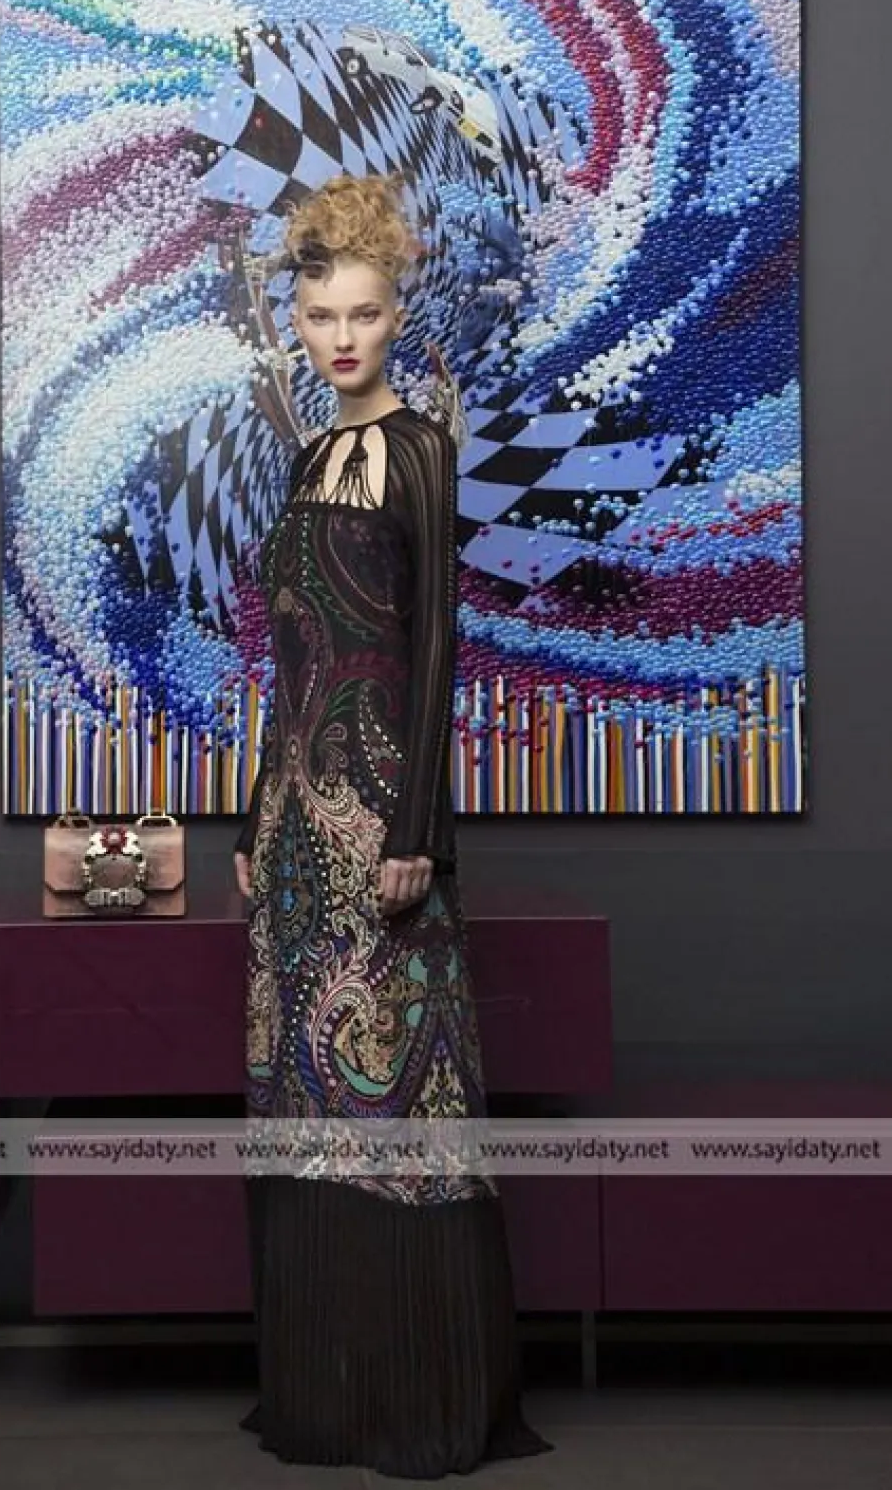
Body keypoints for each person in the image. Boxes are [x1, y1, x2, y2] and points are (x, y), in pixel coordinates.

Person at [232, 172, 552, 1476]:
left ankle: (422, 1400)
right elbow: (291, 660)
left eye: (363, 313)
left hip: (383, 828)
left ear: (395, 313)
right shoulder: (308, 457)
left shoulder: (420, 449)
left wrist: (418, 834)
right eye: (321, 316)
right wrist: (250, 823)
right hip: (295, 834)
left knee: (401, 1094)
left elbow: (434, 653)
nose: (342, 336)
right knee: (305, 1097)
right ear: (297, 324)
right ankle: (327, 1395)